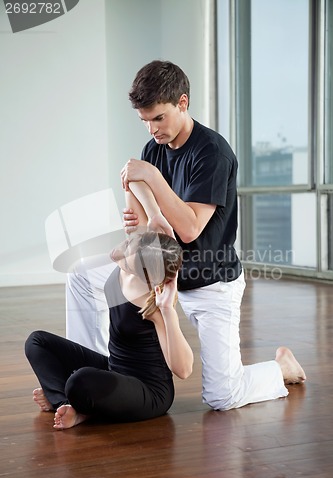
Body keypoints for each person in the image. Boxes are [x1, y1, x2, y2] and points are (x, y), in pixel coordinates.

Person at [66, 60, 306, 412]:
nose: (152, 129)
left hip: (209, 280)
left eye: (159, 118)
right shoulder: (153, 149)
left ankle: (280, 368)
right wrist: (148, 207)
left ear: (182, 102)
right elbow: (145, 222)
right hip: (160, 273)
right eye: (145, 121)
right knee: (81, 274)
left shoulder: (213, 152)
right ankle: (91, 380)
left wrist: (151, 179)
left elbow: (190, 228)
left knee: (222, 398)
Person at [25, 208, 194, 429]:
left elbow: (184, 370)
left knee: (80, 380)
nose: (118, 254)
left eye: (126, 260)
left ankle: (76, 406)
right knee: (37, 342)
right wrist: (154, 214)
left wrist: (168, 311)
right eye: (127, 245)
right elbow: (131, 176)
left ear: (145, 275)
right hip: (113, 368)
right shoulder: (142, 250)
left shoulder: (153, 305)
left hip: (148, 392)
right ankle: (67, 404)